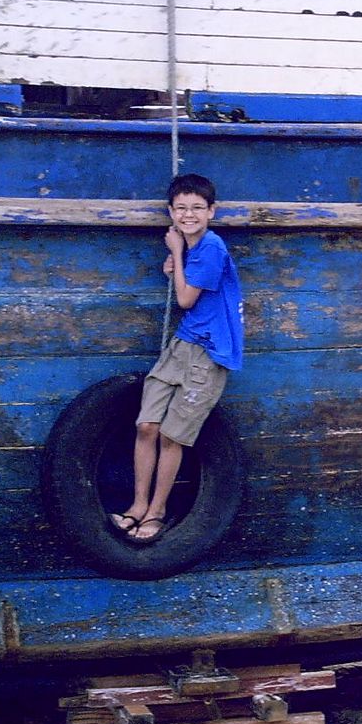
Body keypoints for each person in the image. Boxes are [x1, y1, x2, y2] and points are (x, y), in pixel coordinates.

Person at [110, 174, 243, 545]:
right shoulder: (192, 245)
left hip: (208, 353)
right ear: (170, 211)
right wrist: (178, 256)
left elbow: (185, 300)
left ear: (211, 212)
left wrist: (176, 255)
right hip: (182, 345)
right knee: (146, 425)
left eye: (197, 208)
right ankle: (137, 504)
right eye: (181, 208)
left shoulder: (212, 247)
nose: (189, 215)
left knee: (172, 436)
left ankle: (156, 511)